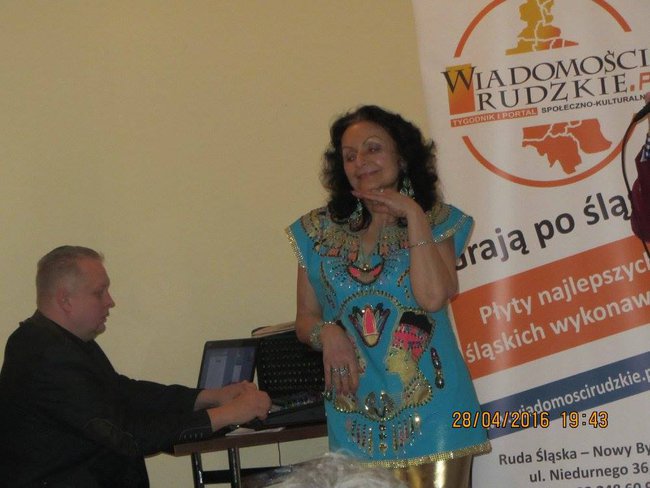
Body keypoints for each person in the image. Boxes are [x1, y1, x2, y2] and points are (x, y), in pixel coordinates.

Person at [286, 106, 491, 487]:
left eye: (373, 148)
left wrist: (412, 214)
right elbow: (305, 318)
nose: (360, 161)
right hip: (354, 416)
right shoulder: (316, 232)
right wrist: (327, 333)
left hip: (436, 414)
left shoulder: (436, 220)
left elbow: (434, 297)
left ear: (402, 156)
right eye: (349, 156)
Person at [0, 246, 271, 487]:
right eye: (99, 292)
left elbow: (124, 392)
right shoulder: (45, 355)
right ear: (65, 300)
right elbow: (126, 434)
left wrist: (209, 397)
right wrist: (227, 414)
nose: (110, 301)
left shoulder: (60, 342)